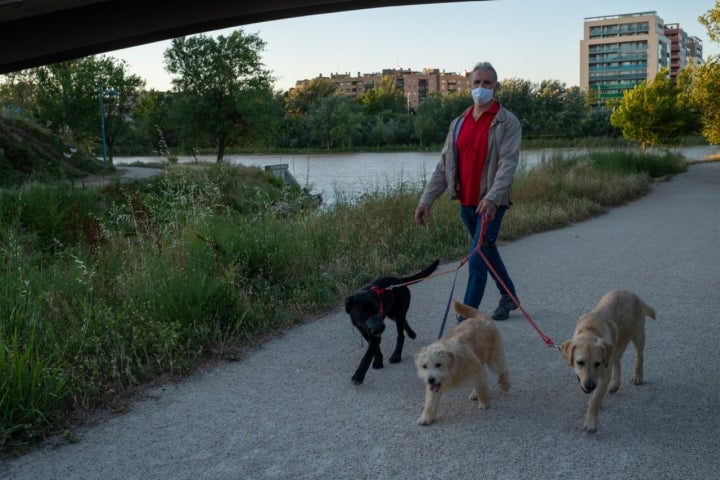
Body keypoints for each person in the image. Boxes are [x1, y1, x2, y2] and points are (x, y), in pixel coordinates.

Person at [414, 61, 521, 321]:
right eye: (476, 82)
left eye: (487, 83)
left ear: (497, 86)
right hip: (466, 203)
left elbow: (508, 164)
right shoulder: (458, 123)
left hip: (491, 205)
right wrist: (426, 200)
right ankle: (509, 297)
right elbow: (444, 165)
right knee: (486, 251)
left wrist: (493, 198)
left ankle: (467, 317)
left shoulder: (507, 122)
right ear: (469, 85)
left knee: (476, 257)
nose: (481, 88)